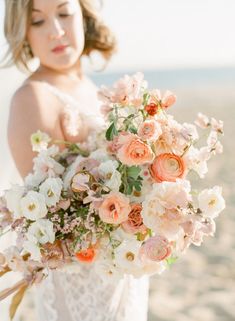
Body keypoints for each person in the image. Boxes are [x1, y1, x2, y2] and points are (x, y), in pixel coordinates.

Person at [2, 1, 149, 320]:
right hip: (78, 283)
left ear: (84, 16)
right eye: (38, 21)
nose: (56, 31)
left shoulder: (88, 87)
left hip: (118, 270)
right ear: (23, 32)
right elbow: (49, 219)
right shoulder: (33, 98)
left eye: (64, 14)